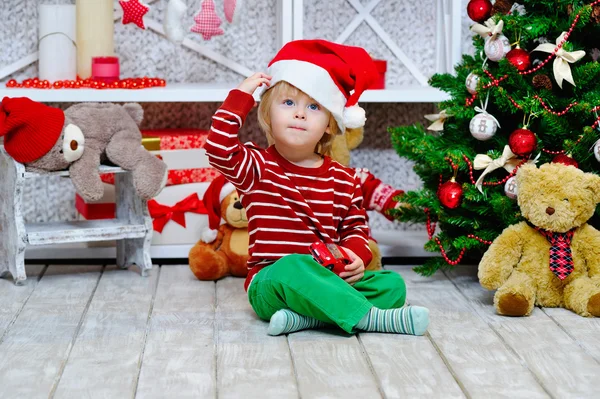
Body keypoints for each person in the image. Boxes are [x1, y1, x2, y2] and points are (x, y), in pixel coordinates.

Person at [204, 39, 429, 336]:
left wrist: (355, 257)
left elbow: (356, 230)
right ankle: (370, 319)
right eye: (288, 103)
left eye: (313, 106)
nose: (300, 114)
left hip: (329, 277)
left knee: (392, 285)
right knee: (292, 266)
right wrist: (239, 98)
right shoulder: (255, 166)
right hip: (271, 283)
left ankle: (307, 318)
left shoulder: (343, 179)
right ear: (268, 114)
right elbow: (217, 148)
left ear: (329, 124)